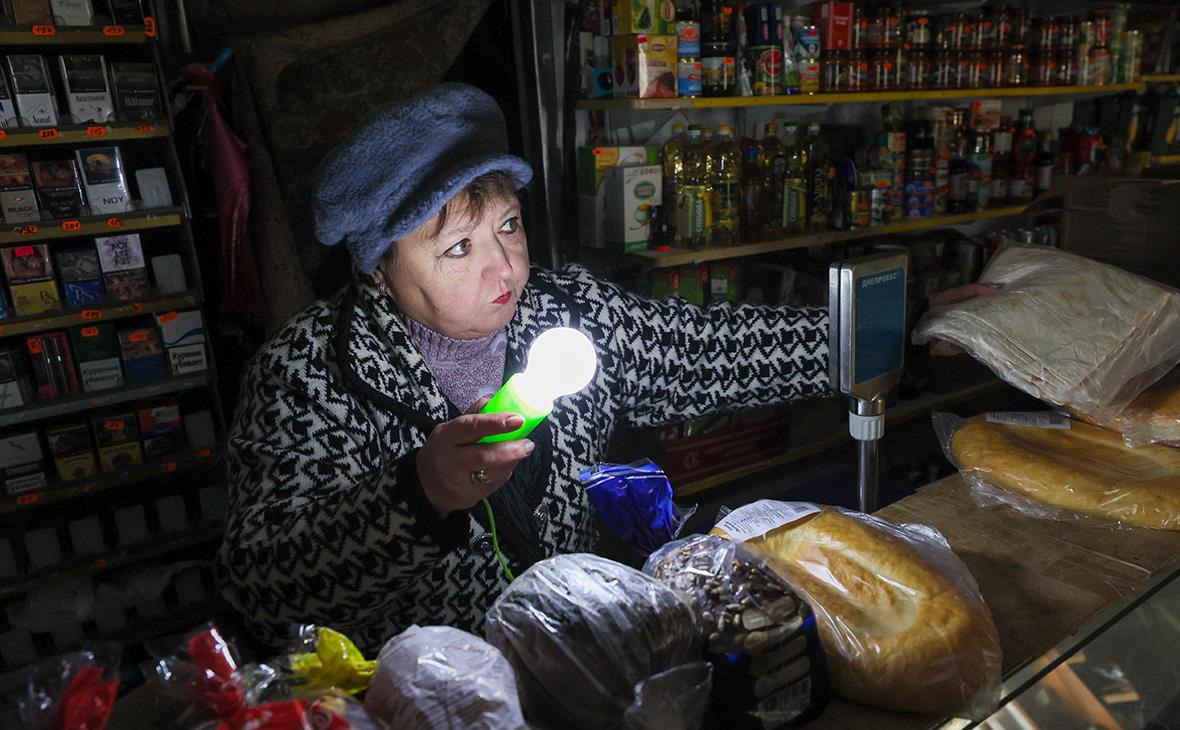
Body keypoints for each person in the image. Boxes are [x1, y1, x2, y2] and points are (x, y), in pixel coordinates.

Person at [216, 83, 987, 653]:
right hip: (422, 691)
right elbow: (260, 585)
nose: (505, 270)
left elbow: (708, 350)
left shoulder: (567, 312)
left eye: (509, 226)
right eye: (458, 248)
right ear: (378, 269)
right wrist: (418, 495)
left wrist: (894, 329)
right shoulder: (308, 375)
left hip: (580, 657)